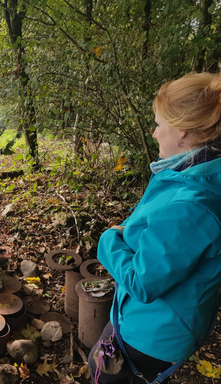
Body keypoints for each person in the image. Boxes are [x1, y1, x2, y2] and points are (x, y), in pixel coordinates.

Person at [88, 72, 221, 383]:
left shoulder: (192, 203)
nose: (154, 132)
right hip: (156, 319)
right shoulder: (191, 173)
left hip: (151, 333)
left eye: (160, 124)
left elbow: (143, 282)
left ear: (183, 132)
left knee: (103, 374)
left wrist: (108, 240)